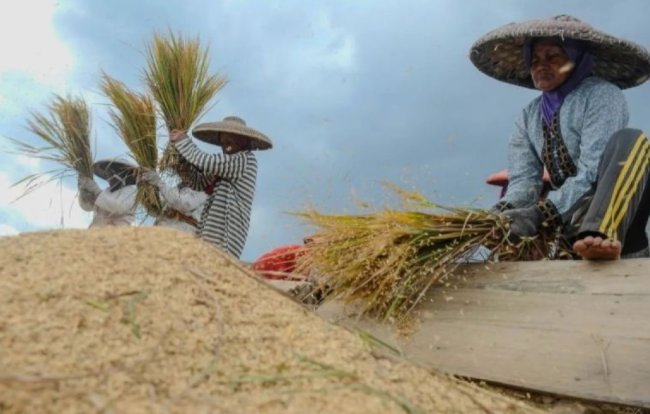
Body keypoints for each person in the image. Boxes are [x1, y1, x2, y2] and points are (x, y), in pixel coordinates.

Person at [471, 15, 650, 260]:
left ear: (576, 59)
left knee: (632, 140)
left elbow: (592, 172)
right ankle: (578, 242)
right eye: (534, 60)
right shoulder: (528, 117)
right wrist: (498, 215)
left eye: (553, 56)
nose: (541, 65)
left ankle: (600, 235)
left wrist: (541, 214)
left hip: (617, 215)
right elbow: (524, 183)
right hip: (569, 226)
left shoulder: (602, 95)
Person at [168, 116, 273, 258]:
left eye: (229, 142)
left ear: (243, 141)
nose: (225, 146)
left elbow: (207, 162)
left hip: (225, 235)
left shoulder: (244, 159)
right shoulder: (224, 164)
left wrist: (183, 142)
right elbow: (198, 182)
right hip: (210, 231)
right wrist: (180, 162)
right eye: (223, 142)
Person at [138, 159, 208, 234]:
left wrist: (158, 182)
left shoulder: (202, 193)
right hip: (161, 233)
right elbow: (155, 212)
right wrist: (147, 193)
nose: (181, 171)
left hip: (183, 235)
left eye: (186, 168)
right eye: (179, 169)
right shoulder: (175, 189)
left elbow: (181, 204)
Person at [77, 158, 138, 227]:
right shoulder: (106, 192)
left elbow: (119, 207)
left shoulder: (131, 191)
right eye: (108, 173)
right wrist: (84, 192)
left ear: (123, 174)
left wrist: (96, 191)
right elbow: (88, 207)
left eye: (112, 173)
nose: (109, 176)